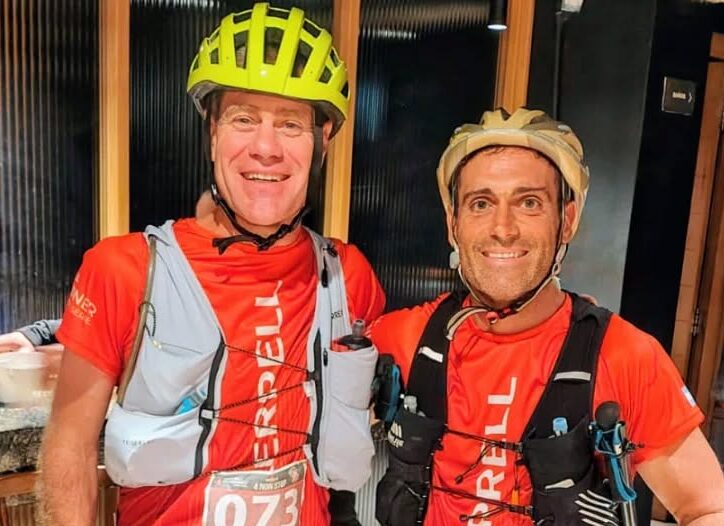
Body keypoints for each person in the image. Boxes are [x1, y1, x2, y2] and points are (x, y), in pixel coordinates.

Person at [37, 4, 385, 526]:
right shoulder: (126, 270)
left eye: (290, 124)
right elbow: (69, 446)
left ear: (323, 141)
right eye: (244, 119)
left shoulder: (347, 275)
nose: (265, 148)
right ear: (213, 131)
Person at [371, 108, 724, 525]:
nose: (503, 229)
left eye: (529, 203)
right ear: (453, 224)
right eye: (481, 203)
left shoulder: (624, 356)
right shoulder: (400, 339)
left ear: (566, 221)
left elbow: (709, 507)